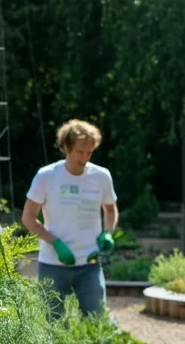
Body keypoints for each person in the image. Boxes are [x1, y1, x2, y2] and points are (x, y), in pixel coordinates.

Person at [21, 119, 118, 316]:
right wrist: (54, 242)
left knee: (96, 321)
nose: (84, 158)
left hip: (90, 263)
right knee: (51, 323)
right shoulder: (46, 176)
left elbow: (110, 209)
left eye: (89, 152)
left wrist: (108, 233)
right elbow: (28, 217)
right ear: (65, 147)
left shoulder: (101, 176)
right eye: (79, 152)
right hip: (53, 264)